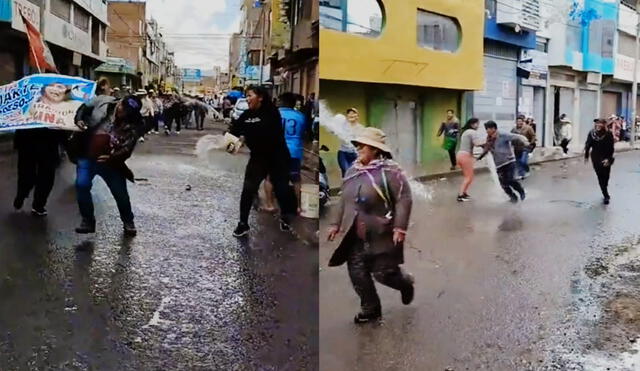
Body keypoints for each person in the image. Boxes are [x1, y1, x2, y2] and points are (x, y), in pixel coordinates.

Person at [327, 127, 414, 324]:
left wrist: (400, 227)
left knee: (383, 273)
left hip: (382, 231)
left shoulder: (391, 172)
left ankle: (405, 284)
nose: (358, 149)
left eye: (363, 145)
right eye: (357, 145)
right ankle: (371, 308)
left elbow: (404, 198)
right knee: (357, 270)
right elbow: (344, 200)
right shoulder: (352, 170)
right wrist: (335, 223)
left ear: (375, 149)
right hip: (355, 232)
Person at [227, 86, 297, 237]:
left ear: (260, 97)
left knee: (282, 190)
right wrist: (228, 141)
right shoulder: (246, 115)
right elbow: (233, 133)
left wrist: (247, 136)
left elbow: (268, 134)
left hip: (277, 157)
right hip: (258, 158)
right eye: (246, 96)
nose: (247, 98)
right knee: (248, 190)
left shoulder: (272, 113)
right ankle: (243, 223)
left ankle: (286, 217)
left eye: (250, 95)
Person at [72, 95, 143, 236]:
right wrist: (79, 119)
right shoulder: (103, 101)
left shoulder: (135, 123)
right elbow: (83, 108)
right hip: (87, 154)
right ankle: (87, 220)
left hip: (110, 162)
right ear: (119, 102)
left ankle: (128, 221)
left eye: (127, 111)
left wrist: (112, 157)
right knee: (81, 185)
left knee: (120, 194)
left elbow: (127, 149)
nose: (122, 111)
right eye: (122, 106)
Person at [13, 128, 66, 216]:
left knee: (44, 175)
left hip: (44, 139)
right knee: (30, 174)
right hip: (32, 140)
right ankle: (25, 197)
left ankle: (35, 203)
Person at [478, 121, 529, 203]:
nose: (486, 131)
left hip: (509, 161)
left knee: (510, 180)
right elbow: (487, 148)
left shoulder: (502, 134)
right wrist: (480, 156)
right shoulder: (489, 138)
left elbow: (516, 136)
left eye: (488, 129)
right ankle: (513, 197)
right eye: (486, 129)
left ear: (493, 128)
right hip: (498, 164)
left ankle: (521, 191)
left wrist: (525, 142)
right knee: (503, 184)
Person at [585, 118, 615, 205]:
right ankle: (605, 195)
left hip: (606, 157)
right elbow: (588, 144)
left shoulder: (608, 134)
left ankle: (605, 187)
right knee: (600, 176)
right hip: (596, 157)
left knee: (606, 176)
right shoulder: (592, 134)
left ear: (604, 125)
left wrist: (608, 159)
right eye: (597, 123)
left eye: (600, 123)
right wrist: (586, 155)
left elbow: (611, 148)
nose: (598, 125)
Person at [455, 118, 483, 202]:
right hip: (465, 156)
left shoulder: (465, 132)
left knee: (468, 176)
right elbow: (477, 144)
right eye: (477, 124)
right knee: (468, 177)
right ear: (472, 124)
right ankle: (460, 195)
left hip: (460, 155)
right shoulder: (472, 132)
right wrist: (487, 142)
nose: (478, 126)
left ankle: (464, 193)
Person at [337, 108, 364, 177]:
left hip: (355, 154)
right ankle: (346, 186)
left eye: (353, 113)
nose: (351, 114)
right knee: (346, 172)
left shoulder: (361, 128)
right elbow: (334, 131)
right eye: (349, 113)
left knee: (355, 173)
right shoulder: (343, 127)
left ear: (357, 116)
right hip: (343, 153)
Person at [511, 115, 536, 179]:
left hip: (525, 147)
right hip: (516, 148)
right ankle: (521, 174)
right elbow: (511, 136)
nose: (519, 123)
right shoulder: (514, 129)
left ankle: (527, 170)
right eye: (517, 121)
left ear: (523, 122)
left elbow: (533, 136)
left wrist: (531, 143)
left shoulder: (528, 128)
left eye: (520, 121)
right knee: (518, 162)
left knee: (523, 161)